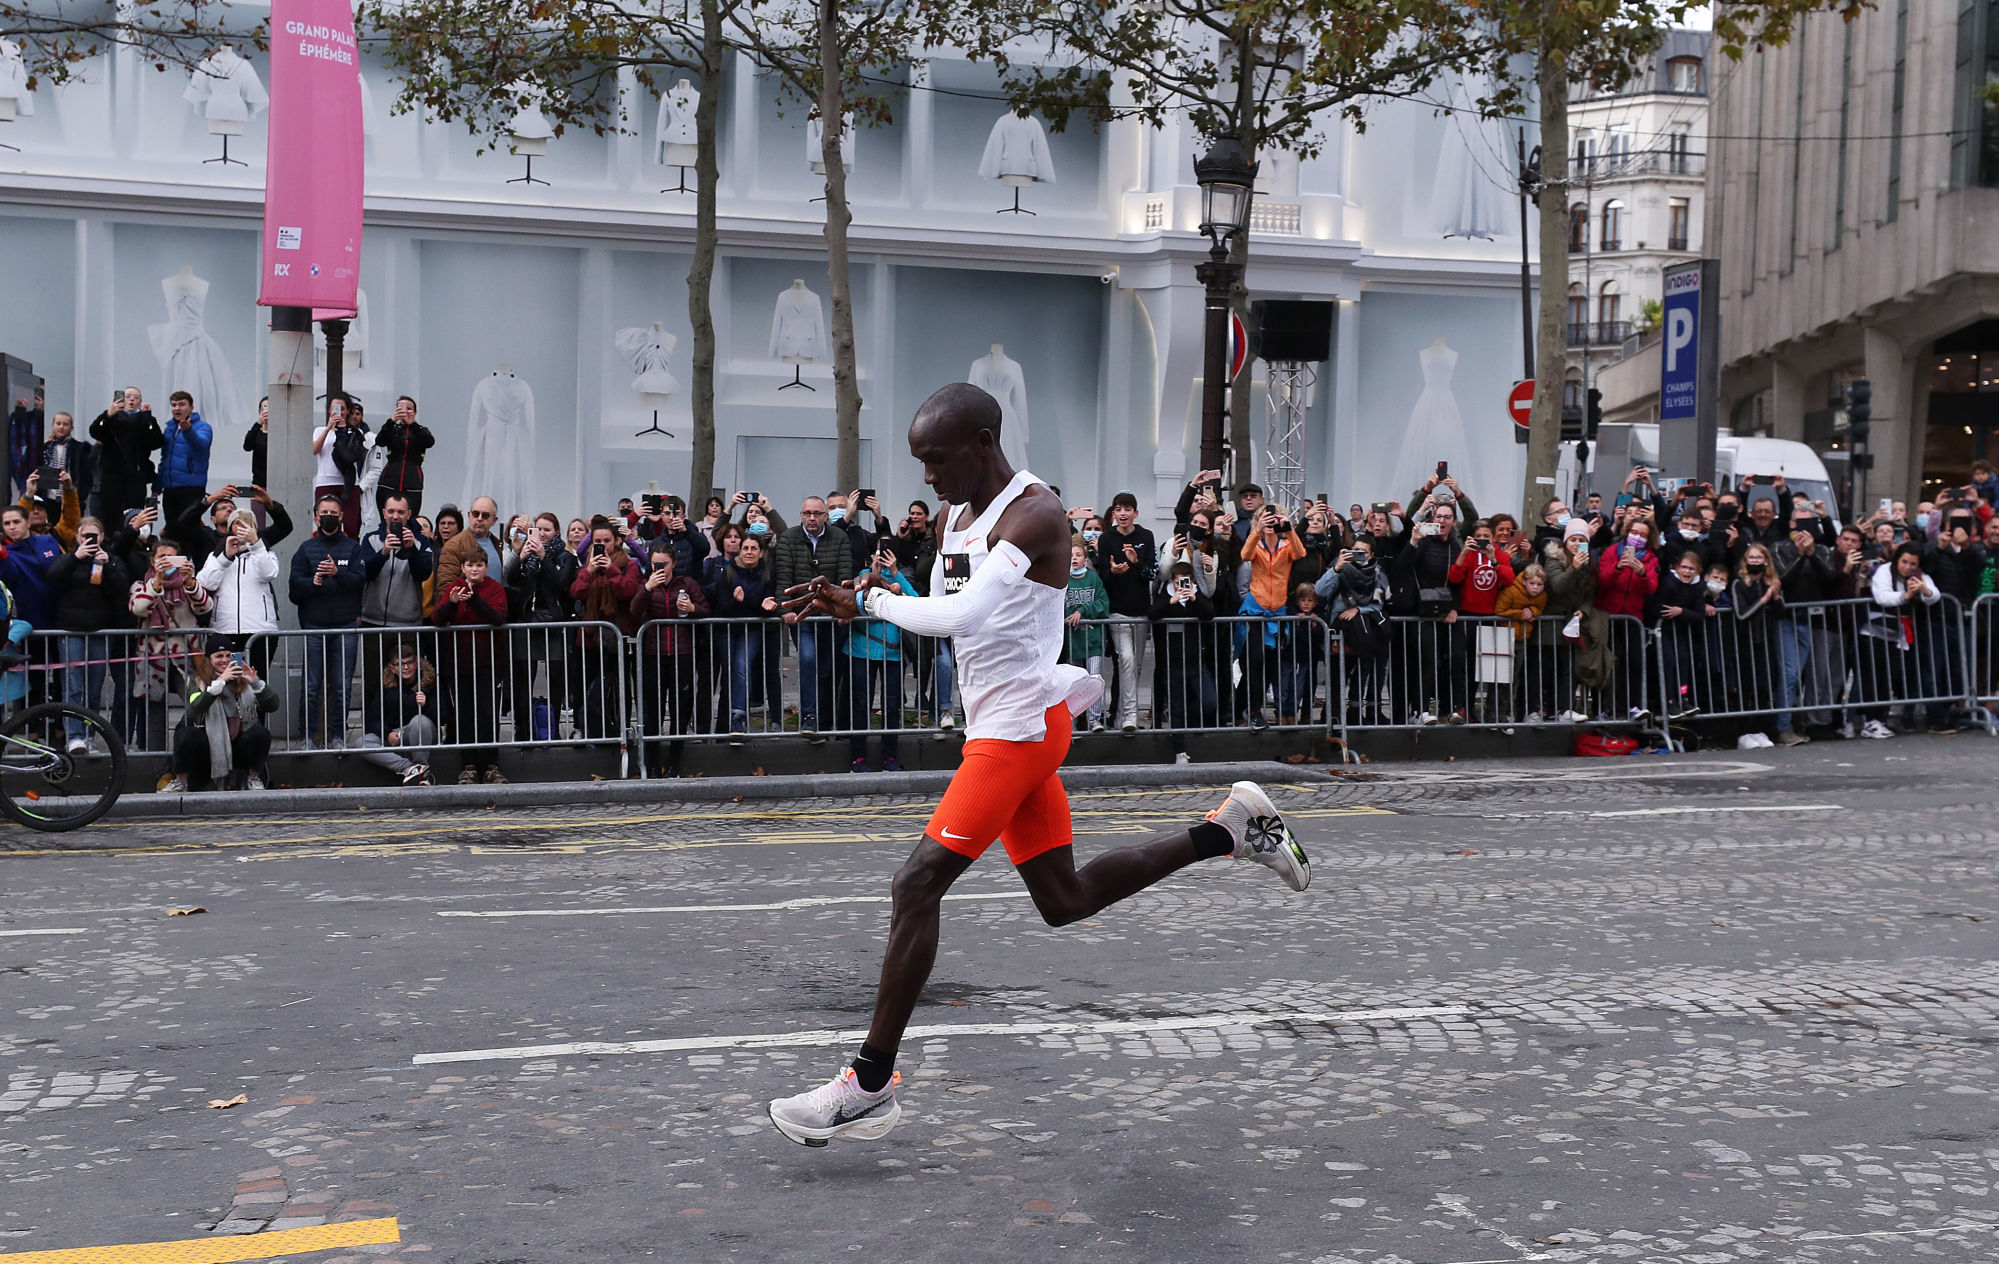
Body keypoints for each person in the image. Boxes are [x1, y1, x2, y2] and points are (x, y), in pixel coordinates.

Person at [770, 382, 1307, 1147]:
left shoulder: (1035, 514)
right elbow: (944, 602)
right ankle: (1228, 829)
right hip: (1003, 722)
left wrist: (873, 607)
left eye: (935, 460)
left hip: (1020, 730)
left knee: (916, 882)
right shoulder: (959, 513)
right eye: (919, 462)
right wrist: (878, 590)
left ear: (983, 443)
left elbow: (961, 616)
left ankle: (867, 1084)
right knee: (1064, 898)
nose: (925, 478)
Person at [45, 517, 133, 751]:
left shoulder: (111, 559)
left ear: (103, 537)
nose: (90, 540)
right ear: (77, 537)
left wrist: (108, 567)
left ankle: (90, 736)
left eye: (95, 536)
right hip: (71, 630)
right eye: (86, 536)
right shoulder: (68, 558)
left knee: (94, 689)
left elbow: (122, 589)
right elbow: (52, 577)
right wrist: (76, 558)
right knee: (73, 686)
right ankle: (74, 736)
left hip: (99, 631)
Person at [771, 495, 854, 739]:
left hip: (830, 613)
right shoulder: (789, 538)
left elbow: (844, 576)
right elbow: (783, 575)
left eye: (817, 514)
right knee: (808, 659)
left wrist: (843, 608)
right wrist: (784, 608)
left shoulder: (839, 538)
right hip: (803, 613)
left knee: (827, 669)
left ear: (825, 516)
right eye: (807, 513)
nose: (812, 518)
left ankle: (825, 720)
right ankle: (809, 716)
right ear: (801, 515)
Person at [289, 494, 368, 747]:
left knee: (342, 686)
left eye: (334, 513)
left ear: (342, 516)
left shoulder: (353, 547)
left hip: (345, 626)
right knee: (311, 686)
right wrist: (313, 582)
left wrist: (337, 573)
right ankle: (308, 737)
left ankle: (337, 736)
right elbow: (293, 590)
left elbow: (360, 581)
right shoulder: (305, 549)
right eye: (324, 513)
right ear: (316, 517)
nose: (329, 517)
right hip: (314, 626)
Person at [628, 541, 709, 776]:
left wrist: (692, 608)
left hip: (681, 654)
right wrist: (648, 588)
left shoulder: (687, 584)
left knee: (680, 710)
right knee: (652, 712)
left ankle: (674, 761)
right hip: (652, 655)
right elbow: (634, 612)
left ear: (673, 563)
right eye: (655, 563)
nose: (660, 567)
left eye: (664, 563)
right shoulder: (646, 583)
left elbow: (705, 610)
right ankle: (652, 763)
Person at [128, 537, 213, 751]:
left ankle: (186, 751)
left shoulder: (187, 585)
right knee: (155, 717)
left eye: (170, 558)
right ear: (152, 561)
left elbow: (205, 607)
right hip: (152, 659)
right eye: (161, 558)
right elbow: (139, 608)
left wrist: (190, 581)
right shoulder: (141, 585)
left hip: (186, 657)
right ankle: (158, 769)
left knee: (197, 705)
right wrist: (156, 581)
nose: (166, 562)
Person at [433, 549, 510, 782]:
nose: (474, 570)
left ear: (486, 568)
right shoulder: (454, 587)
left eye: (479, 566)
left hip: (488, 663)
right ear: (463, 568)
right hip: (460, 663)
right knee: (464, 716)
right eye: (470, 565)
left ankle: (490, 765)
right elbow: (437, 619)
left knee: (488, 714)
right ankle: (468, 765)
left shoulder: (494, 588)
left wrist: (474, 599)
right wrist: (452, 604)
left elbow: (498, 618)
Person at [164, 639, 278, 792]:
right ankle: (181, 782)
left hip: (238, 745)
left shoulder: (244, 679)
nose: (224, 660)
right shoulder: (197, 682)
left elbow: (273, 706)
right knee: (187, 734)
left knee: (260, 733)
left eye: (228, 655)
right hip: (208, 747)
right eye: (219, 656)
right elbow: (196, 707)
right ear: (209, 659)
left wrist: (256, 683)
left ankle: (254, 778)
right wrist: (219, 683)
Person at [505, 512, 580, 743]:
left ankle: (554, 728)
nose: (542, 533)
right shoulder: (527, 552)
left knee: (555, 678)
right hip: (527, 619)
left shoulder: (565, 556)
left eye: (547, 529)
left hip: (553, 621)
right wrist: (521, 556)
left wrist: (544, 557)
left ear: (556, 531)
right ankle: (524, 729)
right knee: (523, 678)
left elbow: (562, 584)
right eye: (538, 529)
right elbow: (512, 580)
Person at [844, 541, 918, 773]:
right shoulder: (863, 575)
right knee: (860, 704)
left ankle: (890, 758)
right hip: (860, 650)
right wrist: (874, 576)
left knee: (892, 705)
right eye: (878, 552)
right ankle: (858, 757)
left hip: (892, 652)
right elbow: (857, 603)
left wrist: (895, 573)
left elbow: (915, 601)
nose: (881, 556)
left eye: (886, 552)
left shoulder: (900, 577)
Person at [567, 517, 642, 738]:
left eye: (607, 540)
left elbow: (629, 591)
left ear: (617, 541)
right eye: (597, 541)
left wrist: (610, 569)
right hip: (589, 637)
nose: (602, 545)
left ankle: (621, 727)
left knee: (619, 686)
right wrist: (589, 571)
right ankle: (582, 727)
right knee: (583, 683)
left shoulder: (629, 564)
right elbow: (575, 592)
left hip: (617, 636)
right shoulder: (587, 565)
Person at [360, 493, 435, 703]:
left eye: (401, 512)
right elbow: (365, 573)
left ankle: (405, 729)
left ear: (409, 514)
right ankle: (374, 730)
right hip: (374, 623)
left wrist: (411, 550)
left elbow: (423, 573)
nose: (395, 516)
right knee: (373, 681)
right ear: (383, 514)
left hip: (407, 624)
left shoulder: (420, 541)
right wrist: (383, 552)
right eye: (391, 511)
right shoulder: (371, 539)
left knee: (408, 681)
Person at [1092, 491, 1155, 734]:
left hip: (1140, 611)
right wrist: (1113, 572)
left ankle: (1121, 718)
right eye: (1118, 509)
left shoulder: (1146, 536)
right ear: (1113, 514)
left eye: (1127, 509)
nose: (1123, 514)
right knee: (1125, 660)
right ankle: (1130, 715)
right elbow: (1102, 576)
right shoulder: (1107, 539)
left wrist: (1136, 562)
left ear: (1135, 513)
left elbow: (1152, 573)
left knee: (1134, 666)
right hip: (1116, 611)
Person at [710, 531, 780, 744]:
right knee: (731, 672)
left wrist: (764, 608)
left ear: (761, 553)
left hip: (752, 630)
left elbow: (766, 607)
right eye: (746, 548)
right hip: (727, 629)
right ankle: (725, 721)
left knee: (742, 667)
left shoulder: (768, 573)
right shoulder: (728, 572)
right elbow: (722, 608)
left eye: (754, 549)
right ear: (740, 551)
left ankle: (738, 717)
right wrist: (738, 601)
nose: (749, 552)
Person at [358, 641, 438, 787]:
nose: (405, 667)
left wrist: (426, 705)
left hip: (419, 733)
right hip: (393, 734)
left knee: (420, 721)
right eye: (400, 664)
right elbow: (373, 717)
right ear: (392, 668)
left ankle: (421, 765)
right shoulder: (385, 685)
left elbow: (441, 716)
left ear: (417, 664)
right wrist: (387, 733)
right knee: (361, 743)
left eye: (409, 662)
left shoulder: (430, 683)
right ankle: (410, 769)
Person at [89, 387, 163, 526]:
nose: (131, 400)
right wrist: (107, 415)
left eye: (136, 397)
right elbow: (95, 432)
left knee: (134, 515)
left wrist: (148, 418)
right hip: (112, 477)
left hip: (136, 476)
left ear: (140, 401)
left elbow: (156, 442)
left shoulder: (146, 419)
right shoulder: (112, 418)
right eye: (128, 396)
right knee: (110, 515)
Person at [1061, 537, 1109, 733]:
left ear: (1085, 559)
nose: (1074, 559)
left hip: (1093, 640)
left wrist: (1083, 611)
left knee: (1094, 678)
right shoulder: (1063, 580)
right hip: (1072, 641)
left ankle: (1094, 719)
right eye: (1071, 555)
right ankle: (1071, 721)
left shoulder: (1093, 578)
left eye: (1079, 555)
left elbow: (1103, 604)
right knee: (1073, 682)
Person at [312, 394, 368, 538]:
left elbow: (355, 454)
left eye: (342, 409)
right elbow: (314, 450)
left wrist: (344, 431)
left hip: (348, 484)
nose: (339, 412)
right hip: (326, 481)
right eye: (335, 408)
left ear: (348, 411)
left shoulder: (355, 432)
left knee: (350, 525)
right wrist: (329, 428)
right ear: (329, 410)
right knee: (324, 523)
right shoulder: (319, 430)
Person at [156, 391, 213, 529]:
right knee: (171, 526)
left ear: (191, 407)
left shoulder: (203, 427)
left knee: (189, 528)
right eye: (174, 405)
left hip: (191, 486)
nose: (177, 408)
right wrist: (157, 486)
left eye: (182, 404)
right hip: (170, 488)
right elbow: (165, 459)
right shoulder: (169, 429)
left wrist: (188, 431)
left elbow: (201, 445)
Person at [375, 395, 436, 518]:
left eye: (409, 409)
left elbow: (429, 442)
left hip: (412, 482)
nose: (406, 412)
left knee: (410, 520)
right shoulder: (392, 428)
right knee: (387, 518)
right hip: (389, 481)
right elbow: (380, 441)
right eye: (402, 408)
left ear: (415, 412)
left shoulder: (420, 430)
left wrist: (412, 424)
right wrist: (392, 420)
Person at [39, 411, 96, 517]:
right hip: (49, 499)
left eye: (65, 424)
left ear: (71, 427)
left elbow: (86, 477)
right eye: (58, 423)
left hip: (71, 500)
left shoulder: (79, 448)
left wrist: (80, 497)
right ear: (53, 425)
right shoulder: (45, 448)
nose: (61, 427)